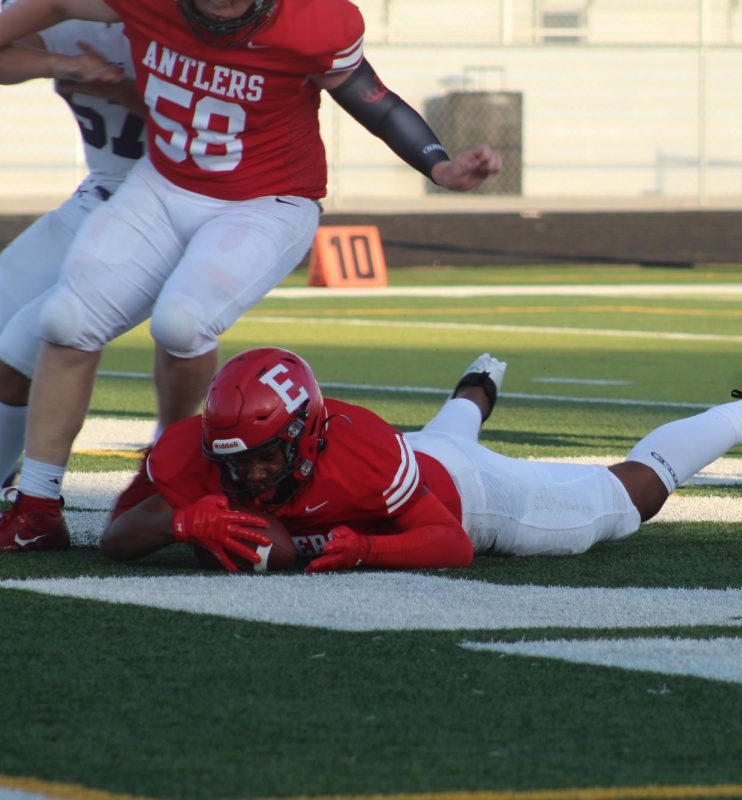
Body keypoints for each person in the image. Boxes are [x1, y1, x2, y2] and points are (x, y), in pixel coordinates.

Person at [0, 0, 503, 551]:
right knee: (66, 318)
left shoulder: (314, 21)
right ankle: (38, 507)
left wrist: (439, 165)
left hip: (266, 200)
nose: (219, 7)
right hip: (164, 182)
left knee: (182, 323)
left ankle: (172, 467)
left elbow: (374, 102)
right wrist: (62, 65)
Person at [97, 348, 742, 569]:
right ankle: (477, 383)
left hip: (472, 495)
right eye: (235, 461)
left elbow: (451, 543)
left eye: (266, 459)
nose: (248, 477)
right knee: (447, 431)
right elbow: (115, 539)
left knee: (629, 499)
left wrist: (362, 547)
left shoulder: (359, 451)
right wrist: (176, 520)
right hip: (428, 451)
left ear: (305, 433)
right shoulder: (198, 452)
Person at [0, 13, 150, 489]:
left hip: (168, 211)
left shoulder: (177, 18)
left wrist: (115, 87)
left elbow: (203, 126)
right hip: (100, 193)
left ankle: (28, 490)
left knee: (21, 352)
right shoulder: (66, 11)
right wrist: (66, 65)